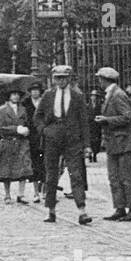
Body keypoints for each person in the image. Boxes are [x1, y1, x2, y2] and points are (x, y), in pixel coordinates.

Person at [34, 64, 92, 224]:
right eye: (57, 78)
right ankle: (50, 210)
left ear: (69, 78)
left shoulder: (77, 96)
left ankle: (82, 210)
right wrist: (44, 130)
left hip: (72, 140)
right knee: (51, 175)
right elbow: (37, 117)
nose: (60, 81)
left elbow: (84, 122)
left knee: (76, 174)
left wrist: (87, 144)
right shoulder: (48, 96)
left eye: (64, 78)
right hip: (52, 139)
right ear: (53, 79)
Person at [94, 67, 131, 221]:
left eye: (100, 79)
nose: (99, 82)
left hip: (123, 141)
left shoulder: (118, 95)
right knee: (114, 176)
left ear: (105, 80)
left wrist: (107, 120)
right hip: (113, 141)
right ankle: (120, 207)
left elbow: (127, 117)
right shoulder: (110, 95)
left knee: (126, 177)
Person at [0, 86, 34, 204]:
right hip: (9, 142)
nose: (15, 96)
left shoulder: (23, 109)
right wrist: (16, 129)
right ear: (9, 96)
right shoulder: (2, 110)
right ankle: (7, 194)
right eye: (13, 94)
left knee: (24, 168)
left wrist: (26, 130)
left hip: (22, 142)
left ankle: (21, 194)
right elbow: (0, 127)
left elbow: (27, 123)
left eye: (17, 94)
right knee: (6, 170)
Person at [26, 81, 46, 201]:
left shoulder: (44, 102)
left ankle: (43, 191)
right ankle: (35, 193)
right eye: (33, 91)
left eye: (37, 90)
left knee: (44, 164)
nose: (35, 92)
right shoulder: (26, 104)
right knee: (34, 164)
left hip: (43, 136)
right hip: (32, 138)